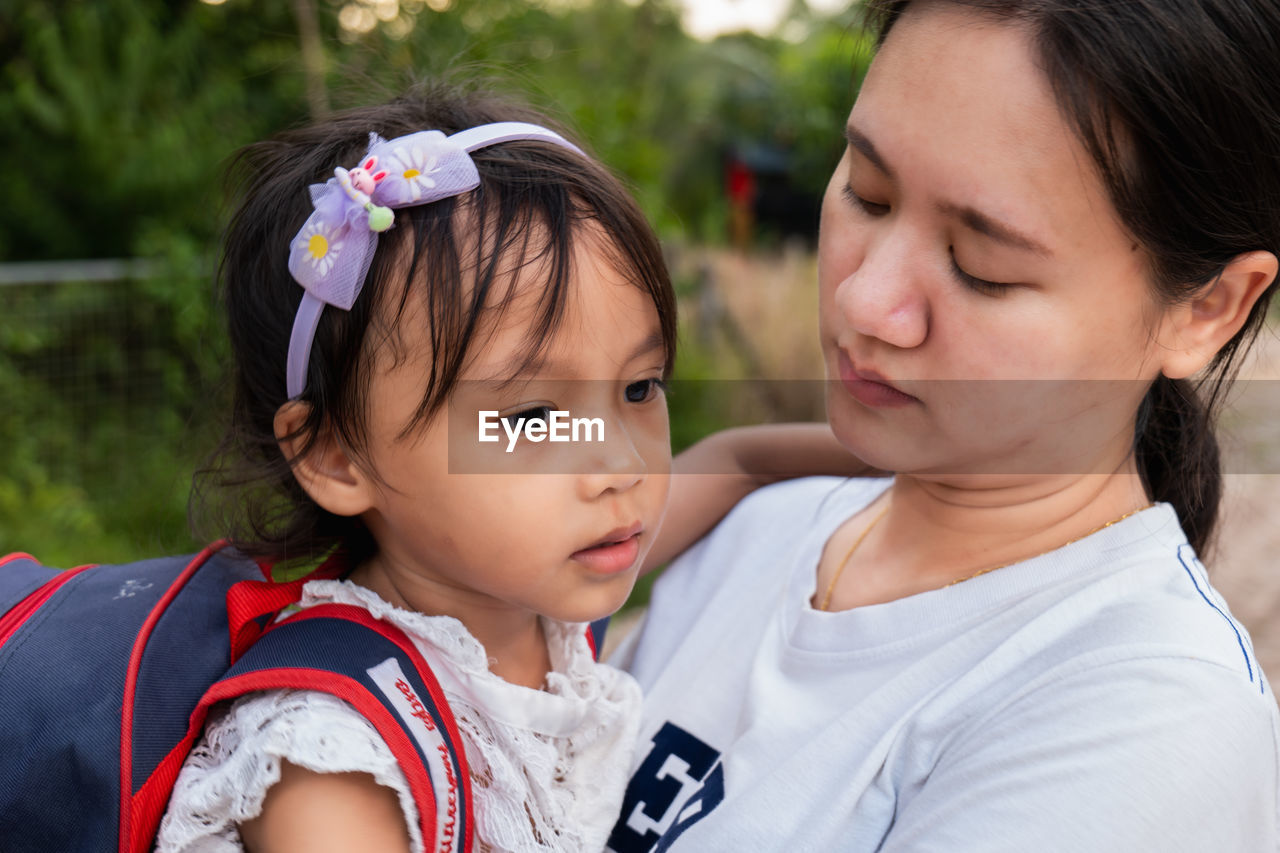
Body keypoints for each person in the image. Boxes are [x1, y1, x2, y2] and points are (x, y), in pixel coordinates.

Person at [609, 1, 1280, 850]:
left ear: (1207, 308)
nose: (865, 301)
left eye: (980, 266)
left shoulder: (1147, 719)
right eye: (866, 191)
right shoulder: (752, 535)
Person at [152, 82, 866, 853]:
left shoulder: (525, 593)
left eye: (638, 387)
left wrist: (929, 451)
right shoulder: (332, 759)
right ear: (335, 454)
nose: (621, 464)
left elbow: (740, 460)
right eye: (532, 417)